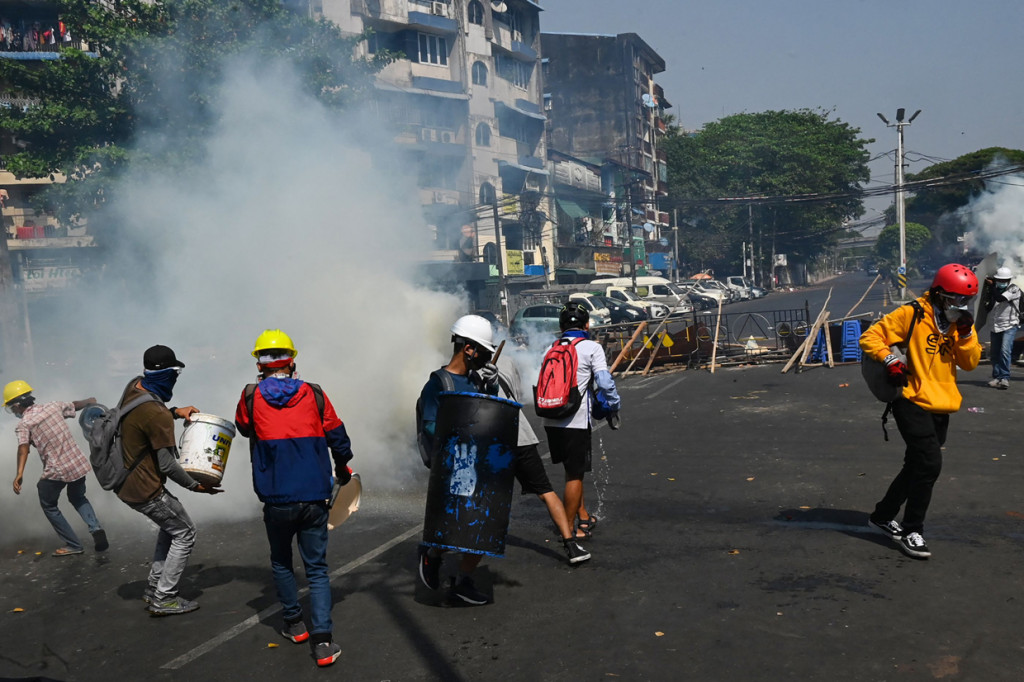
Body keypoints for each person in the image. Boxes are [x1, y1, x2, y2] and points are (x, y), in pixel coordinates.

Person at [235, 329, 354, 668]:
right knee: (316, 569)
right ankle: (323, 642)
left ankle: (294, 624)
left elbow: (245, 428)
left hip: (276, 499)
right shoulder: (314, 394)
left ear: (260, 364)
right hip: (315, 497)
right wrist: (343, 468)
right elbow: (337, 436)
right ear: (292, 360)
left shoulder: (249, 396)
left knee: (281, 561)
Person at [860, 263, 981, 559]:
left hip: (942, 402)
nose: (960, 305)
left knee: (916, 464)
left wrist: (965, 333)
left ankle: (882, 515)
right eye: (955, 299)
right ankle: (912, 529)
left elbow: (970, 363)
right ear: (939, 293)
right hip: (910, 398)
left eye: (965, 300)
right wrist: (890, 359)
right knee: (929, 464)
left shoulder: (959, 323)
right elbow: (870, 337)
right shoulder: (912, 313)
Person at [116, 345, 221, 615]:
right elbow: (166, 464)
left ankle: (154, 588)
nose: (175, 380)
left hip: (125, 481)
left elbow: (144, 417)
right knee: (185, 532)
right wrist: (195, 486)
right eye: (174, 375)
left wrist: (174, 411)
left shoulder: (135, 387)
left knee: (171, 527)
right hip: (145, 489)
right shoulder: (156, 413)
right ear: (164, 375)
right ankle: (165, 598)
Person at [416, 314, 502, 605]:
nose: (487, 358)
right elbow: (430, 424)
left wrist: (491, 388)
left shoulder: (478, 381)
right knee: (453, 528)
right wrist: (460, 432)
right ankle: (432, 555)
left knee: (482, 526)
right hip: (451, 469)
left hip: (478, 465)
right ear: (468, 349)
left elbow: (489, 415)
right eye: (484, 352)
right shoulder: (438, 384)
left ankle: (463, 580)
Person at [493, 350, 590, 564]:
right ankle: (571, 545)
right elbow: (516, 395)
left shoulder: (466, 369)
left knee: (484, 495)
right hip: (520, 435)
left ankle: (456, 550)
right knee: (546, 491)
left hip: (491, 441)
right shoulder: (507, 360)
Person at [541, 302, 621, 544]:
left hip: (551, 418)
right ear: (586, 325)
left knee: (572, 472)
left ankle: (583, 516)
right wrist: (615, 404)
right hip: (575, 421)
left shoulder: (550, 348)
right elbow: (605, 383)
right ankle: (569, 530)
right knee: (575, 475)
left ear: (561, 326)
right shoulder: (591, 348)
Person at [4, 381, 108, 557]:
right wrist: (89, 401)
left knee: (49, 505)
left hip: (57, 470)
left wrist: (19, 473)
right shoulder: (53, 406)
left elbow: (23, 448)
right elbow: (75, 405)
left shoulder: (24, 425)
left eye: (12, 408)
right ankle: (95, 527)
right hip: (77, 463)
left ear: (17, 406)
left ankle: (73, 544)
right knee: (77, 497)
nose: (13, 412)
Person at [982, 266, 1021, 389]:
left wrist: (992, 286)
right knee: (994, 353)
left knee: (1005, 351)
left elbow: (1000, 298)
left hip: (1009, 324)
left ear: (1009, 280)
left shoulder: (1014, 289)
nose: (1002, 283)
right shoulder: (993, 290)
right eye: (1000, 280)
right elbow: (988, 307)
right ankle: (997, 377)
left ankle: (1004, 377)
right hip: (995, 325)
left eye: (1004, 281)